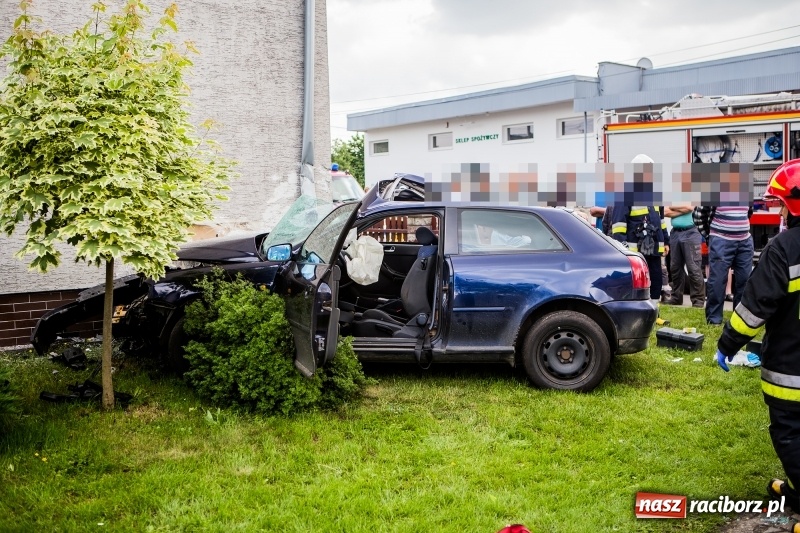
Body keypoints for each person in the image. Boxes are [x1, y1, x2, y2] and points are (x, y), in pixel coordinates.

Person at [715, 159, 800, 518]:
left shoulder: (785, 248)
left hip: (792, 369)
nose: (778, 210)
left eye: (780, 203)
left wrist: (726, 345)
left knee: (790, 434)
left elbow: (753, 309)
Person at [610, 155, 669, 302]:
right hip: (635, 252)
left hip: (653, 249)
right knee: (638, 285)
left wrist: (666, 241)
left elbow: (661, 221)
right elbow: (618, 225)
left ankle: (654, 314)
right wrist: (622, 247)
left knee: (656, 282)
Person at [693, 203, 754, 324]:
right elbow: (698, 215)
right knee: (717, 281)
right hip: (721, 240)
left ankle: (739, 319)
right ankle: (714, 319)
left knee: (745, 280)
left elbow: (749, 213)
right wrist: (710, 236)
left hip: (745, 241)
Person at [663, 205, 705, 307]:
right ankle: (676, 298)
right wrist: (684, 210)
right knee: (675, 268)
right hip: (675, 232)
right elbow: (664, 212)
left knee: (693, 268)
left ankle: (698, 301)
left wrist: (673, 207)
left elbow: (691, 208)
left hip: (691, 232)